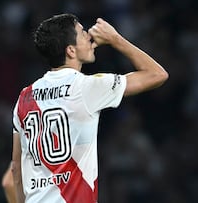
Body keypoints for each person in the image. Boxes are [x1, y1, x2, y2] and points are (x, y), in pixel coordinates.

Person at [9, 13, 168, 203]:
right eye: (83, 33)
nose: (89, 37)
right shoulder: (87, 87)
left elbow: (16, 170)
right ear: (71, 51)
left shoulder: (24, 97)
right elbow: (157, 74)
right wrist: (115, 39)